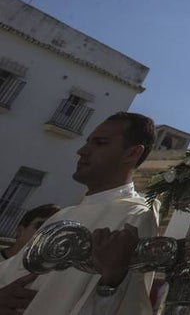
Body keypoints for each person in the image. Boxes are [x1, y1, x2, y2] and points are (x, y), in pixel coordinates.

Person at [0, 112, 159, 315]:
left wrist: (110, 283)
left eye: (100, 143)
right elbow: (12, 272)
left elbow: (122, 300)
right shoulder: (62, 215)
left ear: (132, 153)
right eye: (88, 142)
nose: (82, 151)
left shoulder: (135, 216)